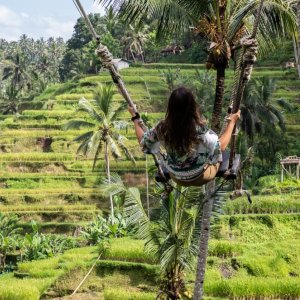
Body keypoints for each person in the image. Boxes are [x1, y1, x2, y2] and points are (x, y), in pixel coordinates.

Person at [128, 86, 240, 186]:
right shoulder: (198, 128)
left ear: (170, 107)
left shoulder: (162, 127)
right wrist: (232, 123)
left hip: (177, 177)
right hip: (202, 176)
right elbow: (221, 146)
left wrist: (134, 118)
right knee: (221, 152)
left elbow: (144, 142)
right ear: (192, 106)